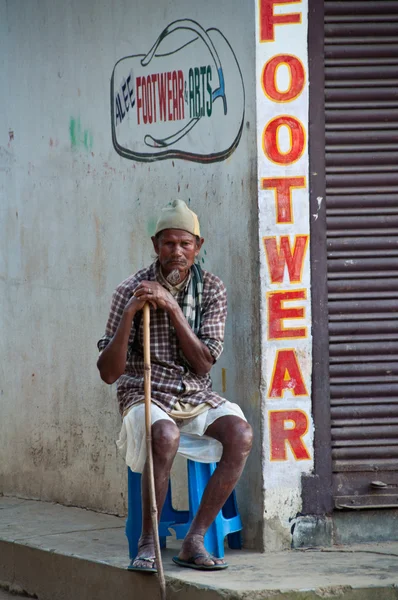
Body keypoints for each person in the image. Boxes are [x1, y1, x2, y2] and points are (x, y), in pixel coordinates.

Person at [97, 199, 252, 571]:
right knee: (164, 435)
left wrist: (172, 308)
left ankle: (194, 539)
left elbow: (203, 361)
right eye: (169, 244)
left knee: (241, 434)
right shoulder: (129, 290)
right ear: (155, 246)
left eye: (185, 244)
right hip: (143, 391)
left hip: (194, 392)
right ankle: (148, 542)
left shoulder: (213, 289)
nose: (177, 252)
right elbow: (108, 372)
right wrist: (132, 315)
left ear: (198, 246)